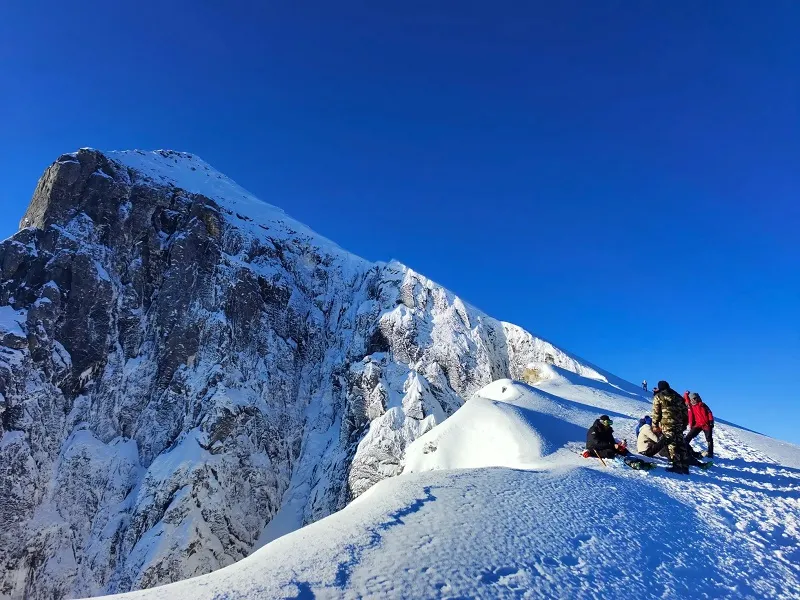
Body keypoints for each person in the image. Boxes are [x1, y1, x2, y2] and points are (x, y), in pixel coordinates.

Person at [652, 380, 690, 474]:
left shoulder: (659, 396)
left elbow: (656, 412)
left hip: (667, 424)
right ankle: (685, 466)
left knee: (671, 444)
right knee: (681, 444)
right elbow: (685, 411)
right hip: (679, 424)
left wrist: (655, 425)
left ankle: (677, 466)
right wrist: (684, 423)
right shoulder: (678, 397)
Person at [685, 392, 714, 458]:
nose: (694, 400)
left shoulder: (702, 405)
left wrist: (711, 421)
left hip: (706, 424)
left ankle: (710, 453)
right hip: (697, 425)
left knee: (709, 439)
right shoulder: (690, 406)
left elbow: (709, 413)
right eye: (692, 399)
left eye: (695, 398)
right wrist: (686, 394)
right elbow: (686, 399)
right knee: (688, 437)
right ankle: (686, 450)